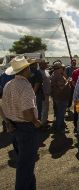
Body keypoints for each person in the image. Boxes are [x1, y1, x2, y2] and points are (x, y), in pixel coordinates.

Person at [2, 56, 41, 190]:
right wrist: (36, 122)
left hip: (14, 127)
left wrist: (7, 121)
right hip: (26, 128)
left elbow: (2, 105)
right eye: (29, 67)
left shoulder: (8, 84)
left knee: (25, 163)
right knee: (25, 166)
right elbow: (27, 113)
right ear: (26, 69)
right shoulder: (25, 86)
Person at [51, 60, 71, 133]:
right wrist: (68, 82)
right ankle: (59, 128)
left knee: (60, 113)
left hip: (58, 96)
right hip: (61, 97)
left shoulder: (56, 73)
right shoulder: (58, 75)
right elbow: (61, 87)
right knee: (61, 114)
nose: (62, 68)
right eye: (61, 67)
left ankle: (60, 127)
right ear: (58, 67)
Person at [39, 60, 51, 128]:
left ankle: (45, 120)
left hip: (47, 93)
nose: (46, 65)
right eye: (45, 64)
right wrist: (42, 94)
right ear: (41, 65)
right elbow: (40, 84)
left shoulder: (46, 71)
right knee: (44, 108)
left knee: (46, 108)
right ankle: (43, 124)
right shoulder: (39, 72)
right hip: (44, 93)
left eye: (46, 63)